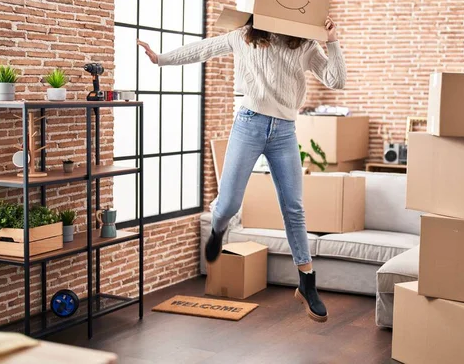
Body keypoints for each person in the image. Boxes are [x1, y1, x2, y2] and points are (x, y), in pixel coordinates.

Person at [138, 16, 346, 323]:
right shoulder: (245, 35)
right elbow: (203, 49)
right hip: (249, 124)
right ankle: (219, 227)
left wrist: (332, 40)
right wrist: (160, 59)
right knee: (230, 202)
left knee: (294, 207)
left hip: (285, 131)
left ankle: (307, 281)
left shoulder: (303, 43)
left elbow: (336, 80)